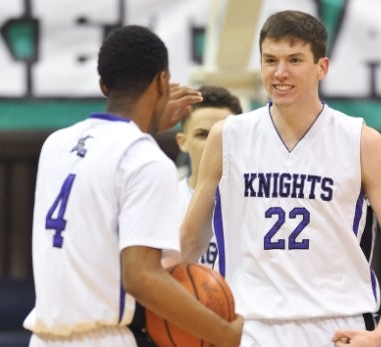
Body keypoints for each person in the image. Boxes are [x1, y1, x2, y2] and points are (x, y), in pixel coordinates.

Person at [180, 10, 381, 347]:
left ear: (321, 67)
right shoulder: (228, 137)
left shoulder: (361, 141)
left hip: (336, 327)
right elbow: (191, 242)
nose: (280, 72)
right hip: (249, 326)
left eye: (294, 60)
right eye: (270, 60)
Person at [22, 25, 242, 347]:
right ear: (162, 81)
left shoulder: (56, 144)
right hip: (103, 338)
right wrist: (224, 333)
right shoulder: (145, 159)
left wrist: (144, 129)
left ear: (102, 85)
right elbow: (142, 278)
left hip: (42, 338)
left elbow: (113, 162)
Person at [173, 85, 243, 267]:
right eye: (202, 134)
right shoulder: (164, 203)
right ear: (183, 142)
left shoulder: (256, 202)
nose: (213, 144)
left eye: (223, 136)